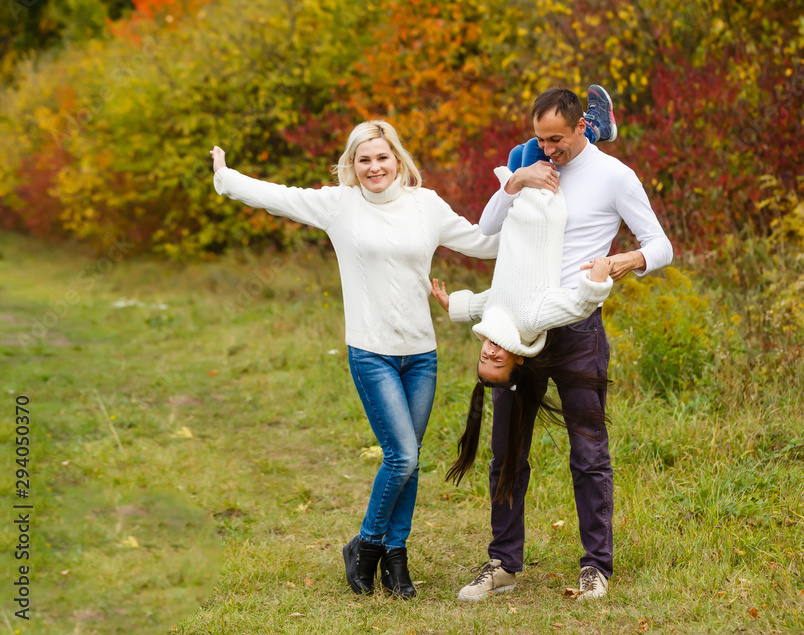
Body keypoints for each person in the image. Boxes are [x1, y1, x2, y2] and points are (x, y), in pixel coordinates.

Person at [208, 120, 499, 600]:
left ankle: (396, 557)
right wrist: (226, 175)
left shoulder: (426, 206)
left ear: (398, 160)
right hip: (371, 351)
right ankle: (366, 545)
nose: (374, 167)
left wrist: (523, 196)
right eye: (363, 160)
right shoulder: (339, 204)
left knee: (410, 460)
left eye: (382, 158)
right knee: (401, 454)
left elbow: (485, 243)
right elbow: (275, 195)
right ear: (351, 165)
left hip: (421, 353)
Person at [454, 87, 673, 602]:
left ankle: (596, 565)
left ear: (581, 128)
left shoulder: (614, 176)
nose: (548, 149)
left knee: (589, 453)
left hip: (577, 331)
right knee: (507, 450)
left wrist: (624, 262)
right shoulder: (530, 164)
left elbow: (661, 244)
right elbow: (487, 230)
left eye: (557, 139)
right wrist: (517, 181)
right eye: (539, 139)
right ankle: (503, 563)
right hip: (518, 330)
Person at [429, 164, 615, 509]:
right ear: (518, 356)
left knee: (522, 154)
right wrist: (596, 283)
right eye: (497, 360)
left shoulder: (497, 318)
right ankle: (593, 130)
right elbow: (575, 307)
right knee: (533, 150)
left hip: (521, 206)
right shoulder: (532, 319)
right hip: (543, 208)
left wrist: (455, 304)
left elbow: (494, 297)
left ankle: (573, 134)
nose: (489, 352)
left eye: (484, 357)